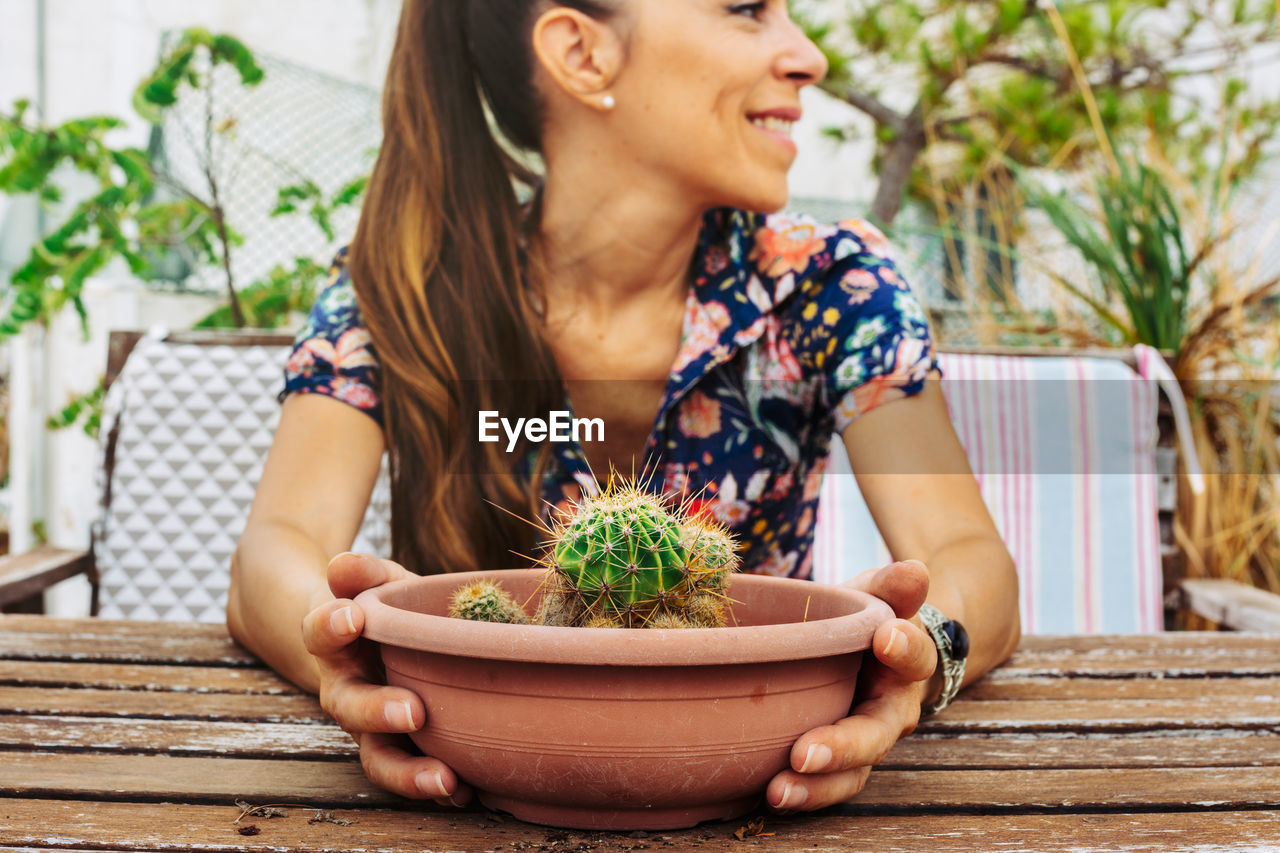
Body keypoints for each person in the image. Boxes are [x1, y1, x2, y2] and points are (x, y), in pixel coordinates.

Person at [227, 0, 1021, 815]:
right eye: (747, 10)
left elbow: (967, 558)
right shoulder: (400, 290)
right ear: (581, 53)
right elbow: (274, 554)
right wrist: (348, 652)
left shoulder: (830, 283)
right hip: (470, 799)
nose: (807, 57)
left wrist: (923, 656)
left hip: (757, 782)